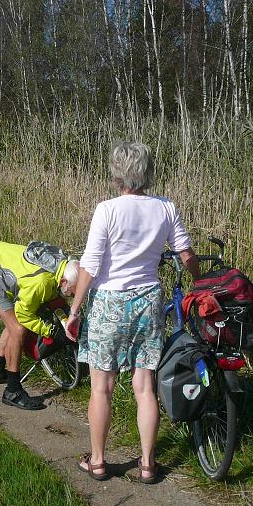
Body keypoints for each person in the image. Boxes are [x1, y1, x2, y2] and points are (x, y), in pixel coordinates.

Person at [65, 141, 200, 483]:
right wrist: (202, 281)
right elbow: (186, 254)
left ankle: (97, 461)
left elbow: (91, 266)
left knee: (102, 387)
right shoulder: (166, 207)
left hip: (109, 303)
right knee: (144, 386)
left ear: (117, 173)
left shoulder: (107, 210)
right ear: (148, 171)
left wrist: (75, 310)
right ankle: (148, 464)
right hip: (148, 301)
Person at [0, 240, 80, 410]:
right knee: (18, 329)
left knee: (12, 320)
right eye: (73, 292)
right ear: (64, 281)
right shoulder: (41, 283)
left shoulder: (61, 266)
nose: (73, 296)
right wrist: (50, 331)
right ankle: (12, 391)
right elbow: (24, 315)